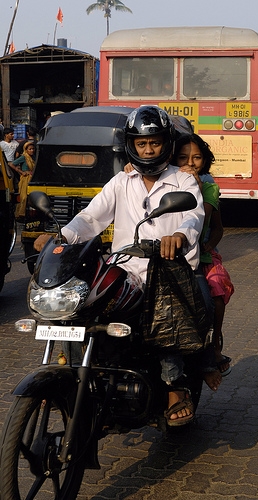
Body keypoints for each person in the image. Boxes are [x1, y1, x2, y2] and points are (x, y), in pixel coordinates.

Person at [34, 106, 205, 426]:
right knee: (82, 301)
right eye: (142, 144)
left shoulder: (182, 180)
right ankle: (73, 373)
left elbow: (195, 216)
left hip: (165, 268)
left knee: (164, 310)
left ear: (165, 143)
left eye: (154, 142)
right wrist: (62, 235)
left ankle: (174, 386)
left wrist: (180, 235)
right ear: (132, 146)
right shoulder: (122, 181)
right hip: (124, 267)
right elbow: (92, 216)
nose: (149, 149)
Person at [174, 134, 235, 384]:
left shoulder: (208, 188)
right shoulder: (163, 182)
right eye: (183, 158)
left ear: (205, 161)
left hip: (202, 255)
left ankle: (214, 345)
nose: (190, 162)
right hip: (168, 254)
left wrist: (210, 245)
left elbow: (208, 222)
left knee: (216, 293)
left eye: (196, 157)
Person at [9, 141, 36, 219]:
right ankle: (20, 214)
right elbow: (11, 164)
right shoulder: (23, 157)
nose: (32, 150)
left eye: (33, 149)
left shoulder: (33, 157)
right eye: (30, 149)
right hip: (25, 179)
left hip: (32, 179)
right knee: (23, 197)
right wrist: (21, 172)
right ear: (26, 149)